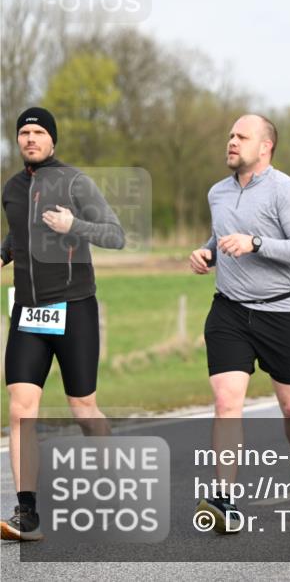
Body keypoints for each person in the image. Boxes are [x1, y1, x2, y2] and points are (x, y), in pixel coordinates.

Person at [189, 114, 290, 532]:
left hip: (283, 312)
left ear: (265, 147)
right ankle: (224, 500)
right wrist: (207, 253)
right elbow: (220, 236)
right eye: (229, 135)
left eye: (241, 136)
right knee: (227, 402)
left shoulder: (288, 191)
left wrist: (256, 243)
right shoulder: (217, 192)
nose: (231, 141)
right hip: (229, 311)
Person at [1, 107, 126, 541]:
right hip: (29, 313)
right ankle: (27, 513)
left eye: (38, 132)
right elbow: (18, 231)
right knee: (20, 410)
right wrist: (3, 253)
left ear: (52, 140)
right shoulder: (12, 189)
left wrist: (75, 224)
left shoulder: (75, 182)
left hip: (74, 308)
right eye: (23, 133)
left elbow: (116, 235)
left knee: (83, 408)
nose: (30, 139)